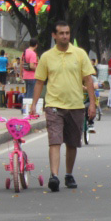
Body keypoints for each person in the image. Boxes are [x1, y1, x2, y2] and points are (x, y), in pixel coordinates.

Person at [30, 21, 98, 191]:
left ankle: (68, 174)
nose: (65, 36)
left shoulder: (79, 54)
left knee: (72, 143)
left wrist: (92, 104)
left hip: (76, 105)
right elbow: (39, 82)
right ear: (54, 35)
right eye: (61, 33)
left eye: (67, 33)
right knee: (55, 140)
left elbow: (88, 80)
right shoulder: (47, 56)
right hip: (54, 105)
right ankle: (54, 176)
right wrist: (34, 104)